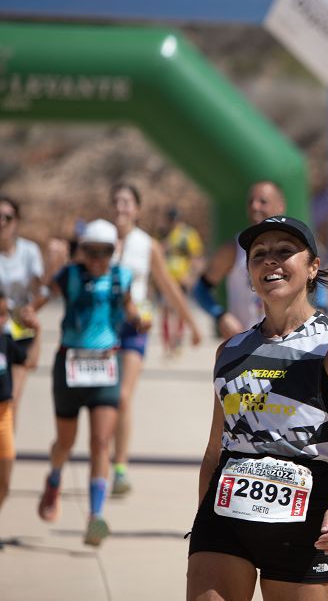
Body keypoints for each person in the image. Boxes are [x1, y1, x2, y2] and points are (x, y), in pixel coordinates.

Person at [186, 216, 328, 601]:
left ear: (312, 267)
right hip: (225, 516)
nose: (270, 261)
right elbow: (215, 447)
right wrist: (202, 516)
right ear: (250, 274)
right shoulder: (230, 350)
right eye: (259, 255)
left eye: (285, 252)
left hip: (304, 519)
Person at [32, 219, 144, 546]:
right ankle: (54, 478)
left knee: (100, 442)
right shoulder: (69, 276)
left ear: (114, 252)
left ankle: (96, 517)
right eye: (90, 252)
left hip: (106, 365)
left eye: (104, 253)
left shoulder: (121, 278)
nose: (96, 260)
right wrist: (28, 311)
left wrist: (139, 319)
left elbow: (131, 309)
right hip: (69, 365)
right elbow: (41, 296)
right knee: (65, 443)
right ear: (81, 251)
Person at [109, 183, 202, 496]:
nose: (121, 208)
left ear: (136, 209)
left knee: (122, 398)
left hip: (135, 327)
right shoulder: (99, 240)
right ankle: (87, 459)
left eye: (127, 202)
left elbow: (169, 287)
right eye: (117, 202)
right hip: (100, 329)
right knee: (99, 402)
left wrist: (192, 324)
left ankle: (119, 468)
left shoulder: (147, 245)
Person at [193, 181, 288, 339]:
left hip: (285, 343)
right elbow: (200, 289)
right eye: (250, 202)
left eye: (262, 201)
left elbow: (316, 285)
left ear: (280, 206)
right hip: (245, 345)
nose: (254, 207)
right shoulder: (234, 249)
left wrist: (320, 307)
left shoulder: (294, 248)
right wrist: (221, 316)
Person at [0, 196, 45, 422]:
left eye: (7, 217)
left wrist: (28, 311)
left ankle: (7, 455)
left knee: (11, 400)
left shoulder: (29, 251)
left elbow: (41, 292)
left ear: (16, 221)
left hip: (20, 331)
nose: (1, 222)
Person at [0, 290, 28, 547]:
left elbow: (28, 360)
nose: (1, 319)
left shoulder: (6, 339)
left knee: (5, 481)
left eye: (4, 314)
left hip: (4, 415)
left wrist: (37, 333)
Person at [162, 207, 205, 356]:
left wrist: (192, 275)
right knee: (166, 310)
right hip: (166, 278)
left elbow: (196, 255)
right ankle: (168, 344)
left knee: (180, 309)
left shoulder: (187, 234)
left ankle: (178, 339)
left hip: (181, 278)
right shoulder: (163, 233)